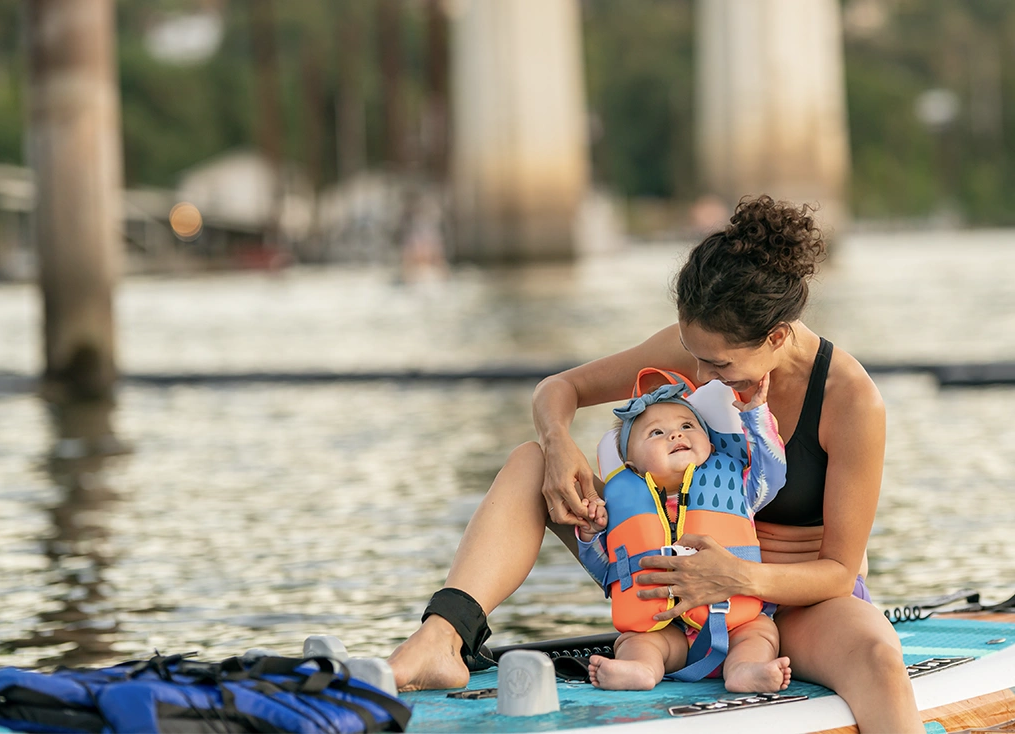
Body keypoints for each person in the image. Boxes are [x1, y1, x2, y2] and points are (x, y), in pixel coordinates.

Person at [388, 195, 923, 733]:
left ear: (777, 336)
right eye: (692, 353)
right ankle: (440, 640)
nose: (699, 376)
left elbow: (836, 571)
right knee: (530, 463)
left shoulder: (850, 400)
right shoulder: (697, 348)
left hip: (791, 603)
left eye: (717, 363)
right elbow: (560, 388)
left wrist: (735, 576)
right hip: (660, 585)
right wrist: (558, 445)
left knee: (880, 657)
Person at [576, 377, 790, 692]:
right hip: (666, 630)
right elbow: (608, 572)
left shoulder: (739, 486)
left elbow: (772, 472)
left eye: (688, 426)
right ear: (632, 464)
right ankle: (641, 669)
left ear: (709, 442)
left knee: (761, 632)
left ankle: (746, 670)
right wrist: (589, 536)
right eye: (656, 433)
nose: (676, 434)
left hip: (736, 624)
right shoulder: (621, 505)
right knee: (634, 641)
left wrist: (756, 417)